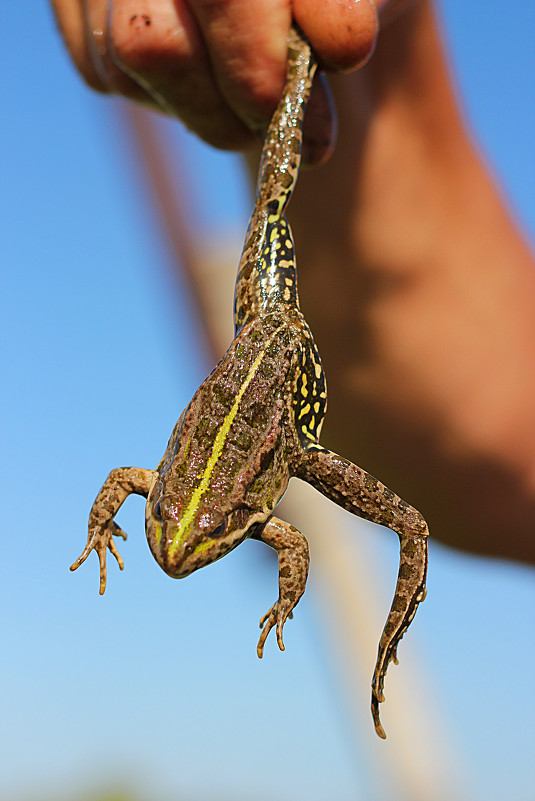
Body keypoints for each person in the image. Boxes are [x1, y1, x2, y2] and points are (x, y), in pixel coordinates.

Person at [51, 0, 535, 564]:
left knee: (270, 204)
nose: (176, 553)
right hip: (279, 330)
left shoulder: (239, 509)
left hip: (274, 337)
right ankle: (303, 62)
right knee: (271, 204)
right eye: (160, 515)